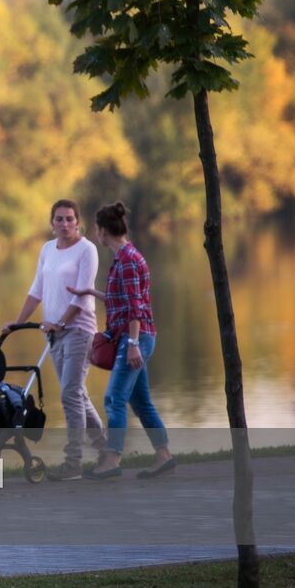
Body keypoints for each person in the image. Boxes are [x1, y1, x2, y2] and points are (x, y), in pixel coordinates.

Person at [68, 202, 174, 480]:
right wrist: (90, 291)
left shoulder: (127, 260)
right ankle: (164, 456)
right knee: (141, 403)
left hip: (134, 337)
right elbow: (123, 301)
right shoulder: (124, 257)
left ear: (103, 231)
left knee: (114, 399)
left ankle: (112, 460)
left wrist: (134, 344)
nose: (95, 234)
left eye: (96, 229)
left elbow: (136, 307)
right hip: (134, 336)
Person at [4, 198, 106, 480]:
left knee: (70, 394)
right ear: (52, 223)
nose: (64, 224)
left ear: (78, 221)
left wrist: (61, 322)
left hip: (79, 330)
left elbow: (82, 292)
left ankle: (73, 464)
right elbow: (36, 290)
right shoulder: (48, 249)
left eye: (69, 219)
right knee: (77, 395)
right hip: (53, 333)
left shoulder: (87, 250)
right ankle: (107, 451)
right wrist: (18, 321)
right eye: (59, 219)